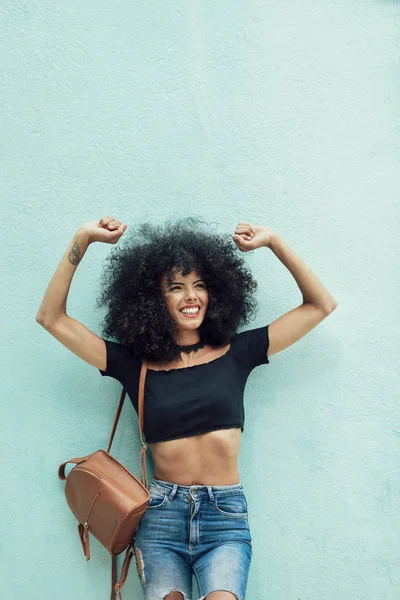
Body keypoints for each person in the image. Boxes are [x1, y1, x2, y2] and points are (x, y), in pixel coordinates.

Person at [36, 215, 337, 600]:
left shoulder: (238, 353)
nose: (191, 296)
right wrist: (82, 239)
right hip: (161, 518)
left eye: (199, 286)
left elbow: (320, 305)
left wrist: (274, 241)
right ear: (153, 300)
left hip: (224, 518)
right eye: (176, 288)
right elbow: (52, 318)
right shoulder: (135, 365)